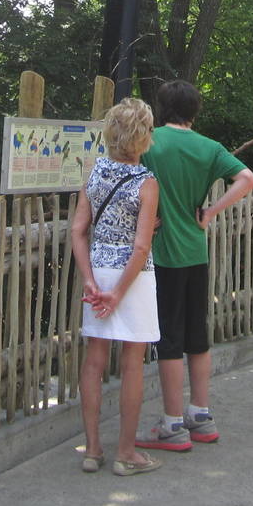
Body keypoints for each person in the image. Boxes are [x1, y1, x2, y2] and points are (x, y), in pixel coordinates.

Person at [136, 80, 253, 451]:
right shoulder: (210, 147)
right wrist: (210, 212)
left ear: (162, 108)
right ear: (194, 111)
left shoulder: (149, 142)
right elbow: (248, 179)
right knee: (197, 336)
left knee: (168, 339)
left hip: (163, 254)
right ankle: (201, 416)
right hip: (196, 252)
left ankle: (172, 423)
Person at [71, 98, 163, 476]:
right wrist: (120, 293)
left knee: (94, 358)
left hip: (99, 272)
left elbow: (79, 230)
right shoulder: (147, 183)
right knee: (132, 362)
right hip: (132, 279)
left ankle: (92, 449)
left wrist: (91, 281)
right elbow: (141, 247)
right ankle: (126, 453)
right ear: (143, 137)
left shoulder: (94, 172)